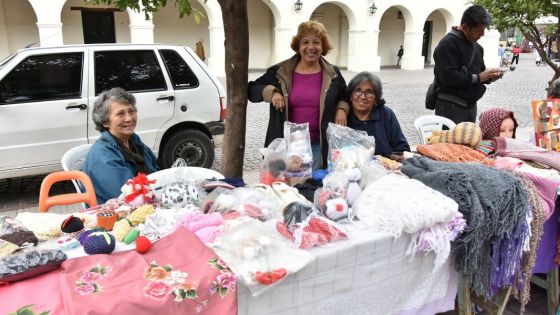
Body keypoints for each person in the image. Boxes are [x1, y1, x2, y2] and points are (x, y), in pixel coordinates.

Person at [248, 20, 348, 170]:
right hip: (284, 147)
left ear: (323, 46)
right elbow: (252, 89)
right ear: (298, 46)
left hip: (317, 146)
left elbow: (345, 95)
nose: (311, 47)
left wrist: (342, 109)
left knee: (309, 190)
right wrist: (273, 92)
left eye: (316, 42)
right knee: (282, 190)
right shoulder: (280, 71)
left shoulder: (332, 73)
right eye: (305, 42)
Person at [83, 87, 159, 204]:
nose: (129, 118)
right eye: (120, 114)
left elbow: (156, 171)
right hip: (117, 213)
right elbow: (128, 195)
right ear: (105, 122)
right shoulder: (103, 156)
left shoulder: (133, 140)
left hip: (144, 201)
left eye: (131, 111)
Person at [432, 5, 503, 124]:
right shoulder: (447, 45)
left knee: (468, 141)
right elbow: (448, 78)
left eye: (484, 30)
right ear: (465, 27)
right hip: (450, 106)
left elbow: (480, 75)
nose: (482, 34)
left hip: (470, 106)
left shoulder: (477, 47)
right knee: (450, 142)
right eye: (479, 30)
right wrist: (480, 77)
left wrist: (490, 77)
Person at [343, 71, 410, 157]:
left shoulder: (386, 115)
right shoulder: (344, 116)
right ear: (351, 96)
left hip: (384, 167)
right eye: (358, 91)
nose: (363, 97)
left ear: (376, 99)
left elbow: (402, 148)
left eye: (369, 92)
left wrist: (392, 158)